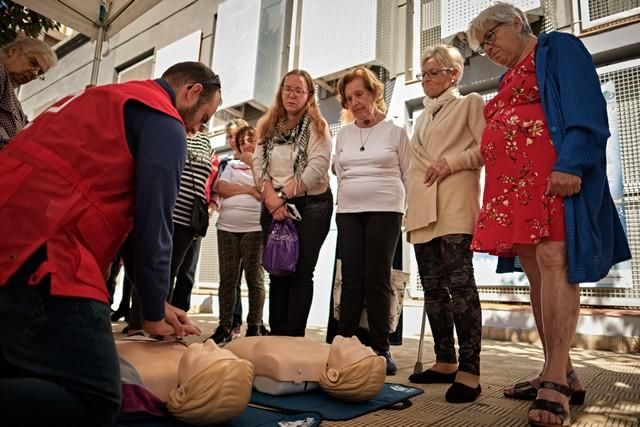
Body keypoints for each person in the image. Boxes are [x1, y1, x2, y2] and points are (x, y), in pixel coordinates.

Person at [0, 61, 221, 426]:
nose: (197, 128)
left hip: (19, 232)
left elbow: (136, 227)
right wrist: (151, 314)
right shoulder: (165, 121)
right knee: (96, 398)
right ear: (192, 91)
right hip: (43, 249)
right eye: (204, 116)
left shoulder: (104, 97)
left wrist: (155, 301)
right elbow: (155, 222)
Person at [467, 3, 631, 426]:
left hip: (550, 179)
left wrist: (572, 163)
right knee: (536, 273)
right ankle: (557, 368)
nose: (488, 48)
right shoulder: (507, 77)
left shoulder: (557, 48)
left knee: (555, 263)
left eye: (491, 36)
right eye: (480, 45)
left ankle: (555, 377)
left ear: (517, 22)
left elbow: (586, 106)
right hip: (514, 190)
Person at [404, 45, 485, 403]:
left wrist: (450, 163)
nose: (425, 80)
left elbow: (487, 149)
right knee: (433, 291)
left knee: (460, 287)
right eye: (423, 74)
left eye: (433, 72)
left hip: (453, 204)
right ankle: (445, 360)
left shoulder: (470, 103)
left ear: (454, 74)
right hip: (422, 211)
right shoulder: (420, 118)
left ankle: (470, 370)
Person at [332, 67, 410, 375]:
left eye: (359, 95)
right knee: (351, 278)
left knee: (377, 278)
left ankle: (381, 347)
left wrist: (410, 212)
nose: (355, 103)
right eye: (349, 98)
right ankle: (344, 344)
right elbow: (340, 171)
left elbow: (410, 173)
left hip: (386, 208)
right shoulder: (345, 134)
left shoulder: (395, 130)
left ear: (374, 93)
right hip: (349, 211)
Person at [253, 69, 333, 337]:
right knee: (277, 270)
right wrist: (271, 198)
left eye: (299, 90)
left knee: (300, 272)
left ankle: (293, 337)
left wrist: (283, 196)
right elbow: (257, 164)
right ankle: (276, 336)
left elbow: (317, 167)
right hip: (273, 203)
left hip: (311, 206)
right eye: (288, 88)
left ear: (309, 95)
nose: (292, 94)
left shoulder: (317, 127)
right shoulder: (267, 126)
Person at [210, 126, 266, 343]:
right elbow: (222, 188)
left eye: (250, 140)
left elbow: (264, 189)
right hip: (227, 227)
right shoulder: (231, 165)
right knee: (227, 279)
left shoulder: (264, 164)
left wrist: (253, 163)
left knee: (255, 279)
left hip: (254, 227)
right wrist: (248, 190)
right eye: (242, 142)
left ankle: (255, 326)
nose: (246, 145)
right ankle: (225, 326)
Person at [116, 338, 254, 425]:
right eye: (217, 349)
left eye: (206, 353)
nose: (210, 342)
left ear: (183, 391)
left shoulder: (129, 391)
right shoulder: (184, 360)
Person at [225, 335, 386, 402]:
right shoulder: (322, 354)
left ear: (333, 374)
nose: (355, 338)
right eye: (363, 344)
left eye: (356, 349)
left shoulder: (283, 361)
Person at [167, 131, 218, 311]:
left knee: (179, 269)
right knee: (156, 266)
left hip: (191, 218)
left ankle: (175, 313)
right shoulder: (172, 129)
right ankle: (141, 321)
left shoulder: (206, 143)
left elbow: (214, 180)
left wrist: (210, 208)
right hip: (164, 211)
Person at [0, 36, 57, 147]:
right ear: (13, 51)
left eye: (40, 73)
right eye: (33, 63)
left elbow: (34, 131)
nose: (34, 74)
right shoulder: (1, 72)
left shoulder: (16, 103)